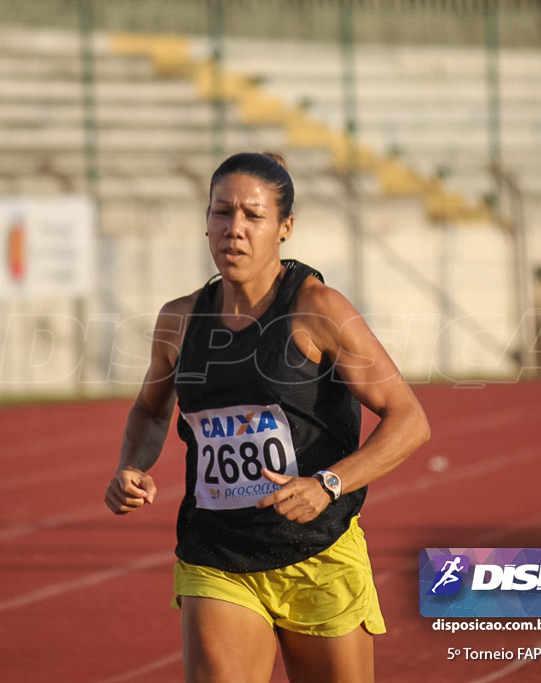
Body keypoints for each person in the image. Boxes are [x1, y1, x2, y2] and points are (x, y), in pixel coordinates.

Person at [104, 151, 430, 682]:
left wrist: (328, 483)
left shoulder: (317, 309)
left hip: (318, 551)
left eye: (253, 216)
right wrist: (131, 466)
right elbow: (149, 408)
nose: (234, 230)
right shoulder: (180, 320)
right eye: (221, 213)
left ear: (285, 228)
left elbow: (409, 419)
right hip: (217, 554)